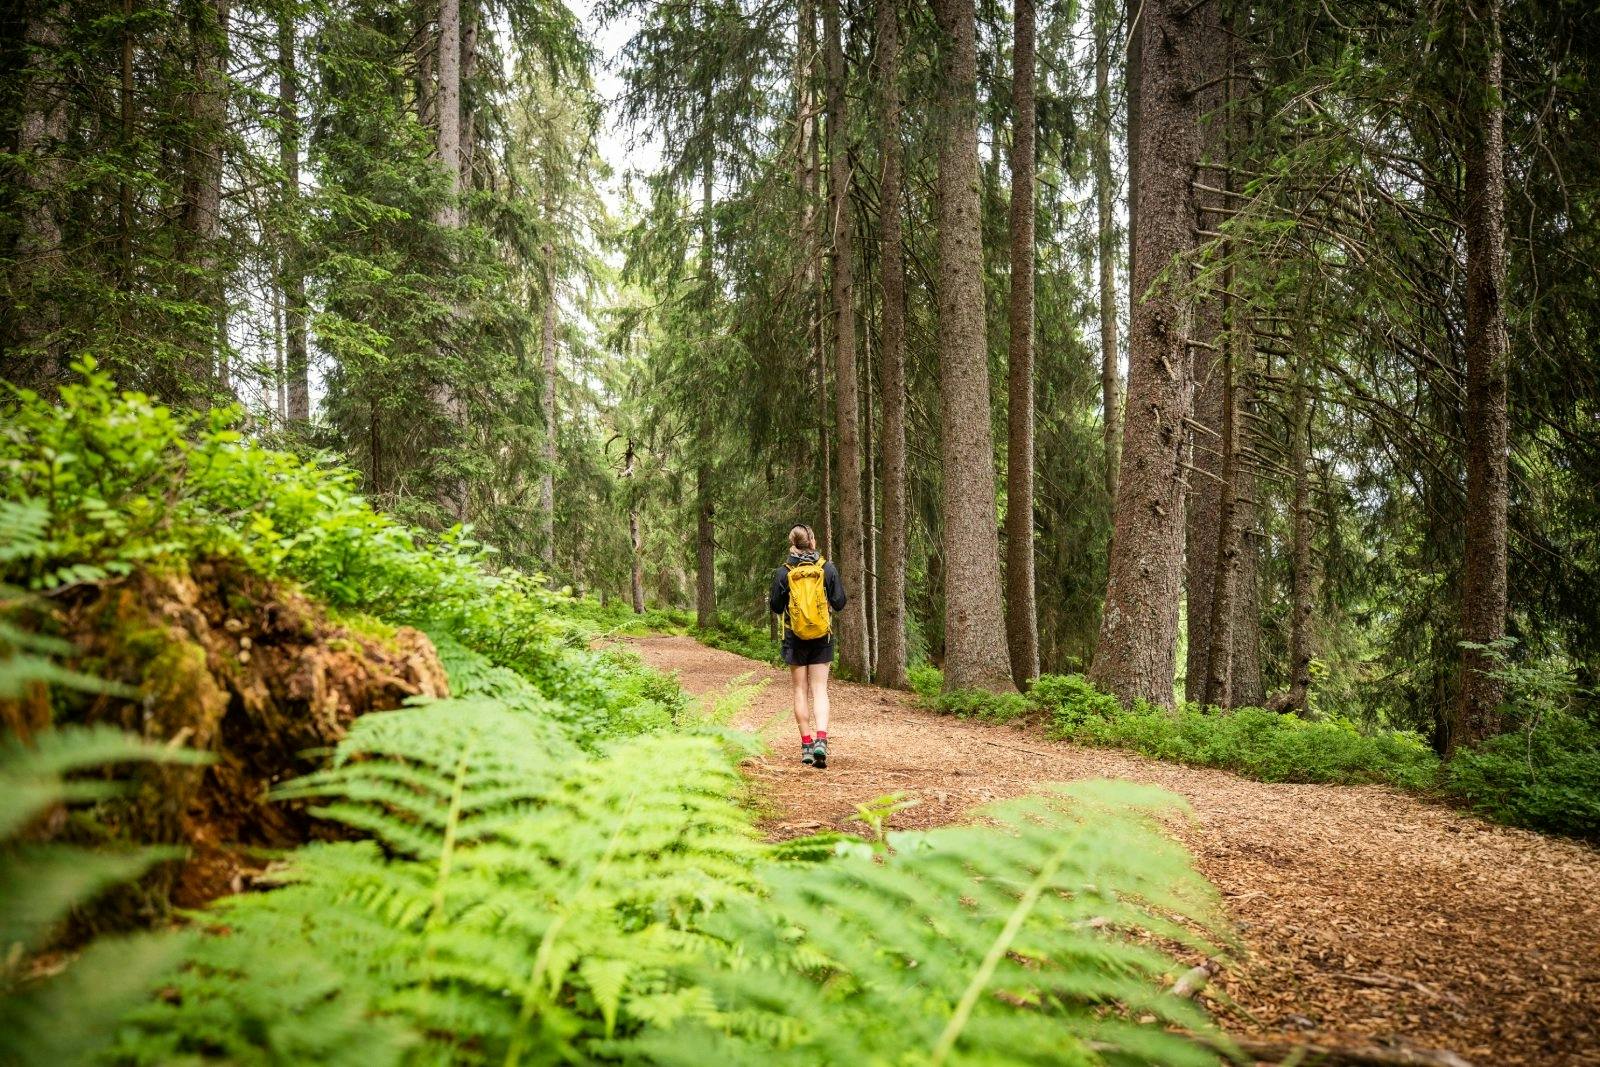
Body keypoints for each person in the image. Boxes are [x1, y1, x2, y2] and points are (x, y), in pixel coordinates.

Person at [768, 523, 846, 768]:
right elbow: (840, 602)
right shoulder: (826, 568)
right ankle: (822, 739)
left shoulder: (784, 572)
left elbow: (776, 607)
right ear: (812, 541)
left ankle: (807, 746)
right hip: (822, 636)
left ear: (792, 543)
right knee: (820, 689)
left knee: (800, 690)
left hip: (795, 637)